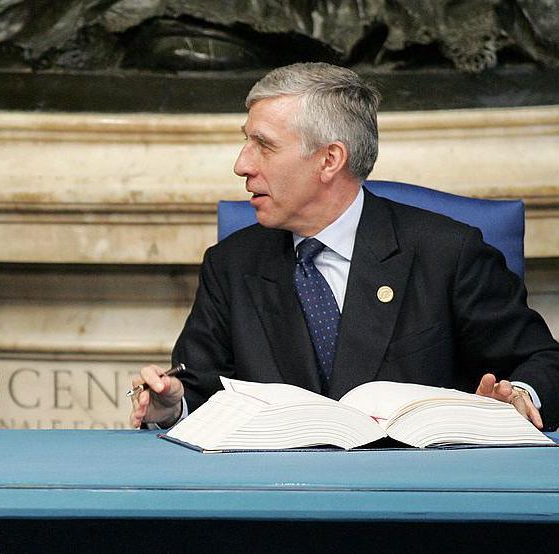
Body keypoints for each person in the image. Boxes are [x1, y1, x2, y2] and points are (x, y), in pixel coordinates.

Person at [131, 62, 559, 431]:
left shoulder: (446, 252)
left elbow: (544, 363)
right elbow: (202, 389)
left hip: (418, 498)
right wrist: (172, 405)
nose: (242, 165)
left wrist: (520, 396)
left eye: (263, 145)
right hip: (276, 501)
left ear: (330, 160)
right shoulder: (231, 264)